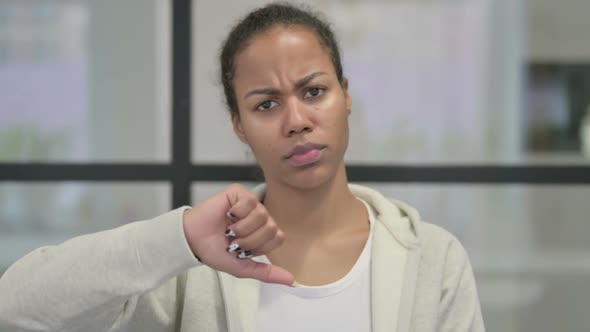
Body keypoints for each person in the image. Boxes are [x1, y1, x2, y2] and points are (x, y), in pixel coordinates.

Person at [0, 3, 485, 331]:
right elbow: (15, 310)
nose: (297, 121)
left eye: (314, 91)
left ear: (346, 95)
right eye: (266, 104)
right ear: (239, 124)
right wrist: (181, 238)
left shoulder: (434, 259)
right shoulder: (195, 264)